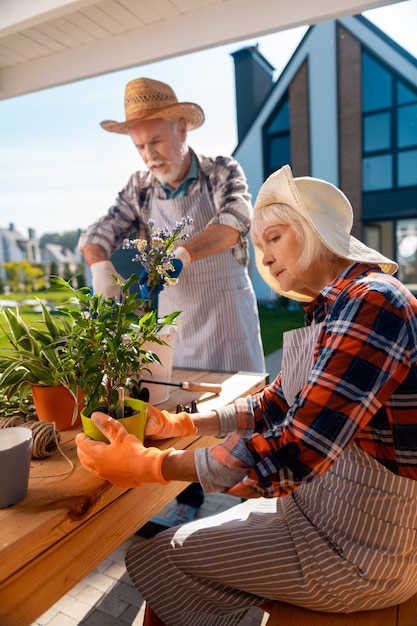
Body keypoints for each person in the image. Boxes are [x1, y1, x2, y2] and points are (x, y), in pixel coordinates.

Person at [76, 163, 417, 626]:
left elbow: (299, 447)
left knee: (167, 559)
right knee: (170, 561)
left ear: (315, 232)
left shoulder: (374, 301)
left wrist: (155, 467)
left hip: (361, 546)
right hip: (320, 511)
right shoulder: (332, 308)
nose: (266, 257)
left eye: (275, 237)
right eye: (259, 246)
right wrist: (188, 424)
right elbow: (277, 401)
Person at [77, 77, 265, 526]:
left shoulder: (221, 169)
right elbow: (96, 235)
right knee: (181, 413)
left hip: (227, 313)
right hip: (177, 320)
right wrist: (100, 268)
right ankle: (191, 498)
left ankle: (254, 503)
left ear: (182, 128)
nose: (149, 155)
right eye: (140, 146)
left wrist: (184, 252)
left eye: (157, 141)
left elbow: (237, 219)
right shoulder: (140, 187)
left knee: (241, 412)